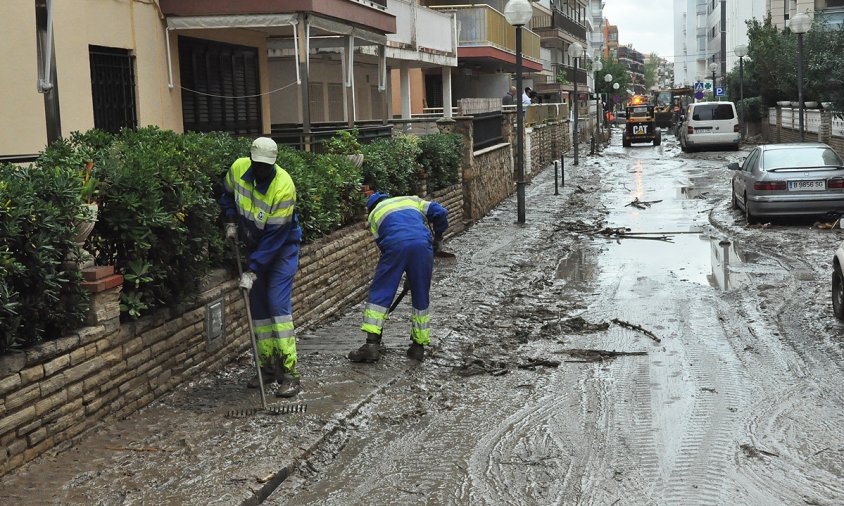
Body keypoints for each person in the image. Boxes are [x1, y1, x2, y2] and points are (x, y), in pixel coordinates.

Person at [220, 137, 303, 398]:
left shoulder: (283, 188)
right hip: (255, 248)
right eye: (258, 165)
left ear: (274, 163)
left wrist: (252, 270)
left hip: (281, 250)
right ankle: (267, 369)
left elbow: (274, 238)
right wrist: (230, 220)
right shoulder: (238, 169)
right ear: (252, 160)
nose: (262, 170)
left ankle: (290, 373)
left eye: (267, 166)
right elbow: (226, 194)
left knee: (277, 307)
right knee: (258, 312)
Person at [348, 192, 449, 363]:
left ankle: (372, 345)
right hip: (422, 246)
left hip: (395, 246)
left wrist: (401, 270)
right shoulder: (411, 200)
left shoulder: (374, 215)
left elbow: (386, 246)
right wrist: (438, 236)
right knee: (421, 295)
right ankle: (418, 347)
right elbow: (440, 212)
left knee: (381, 291)